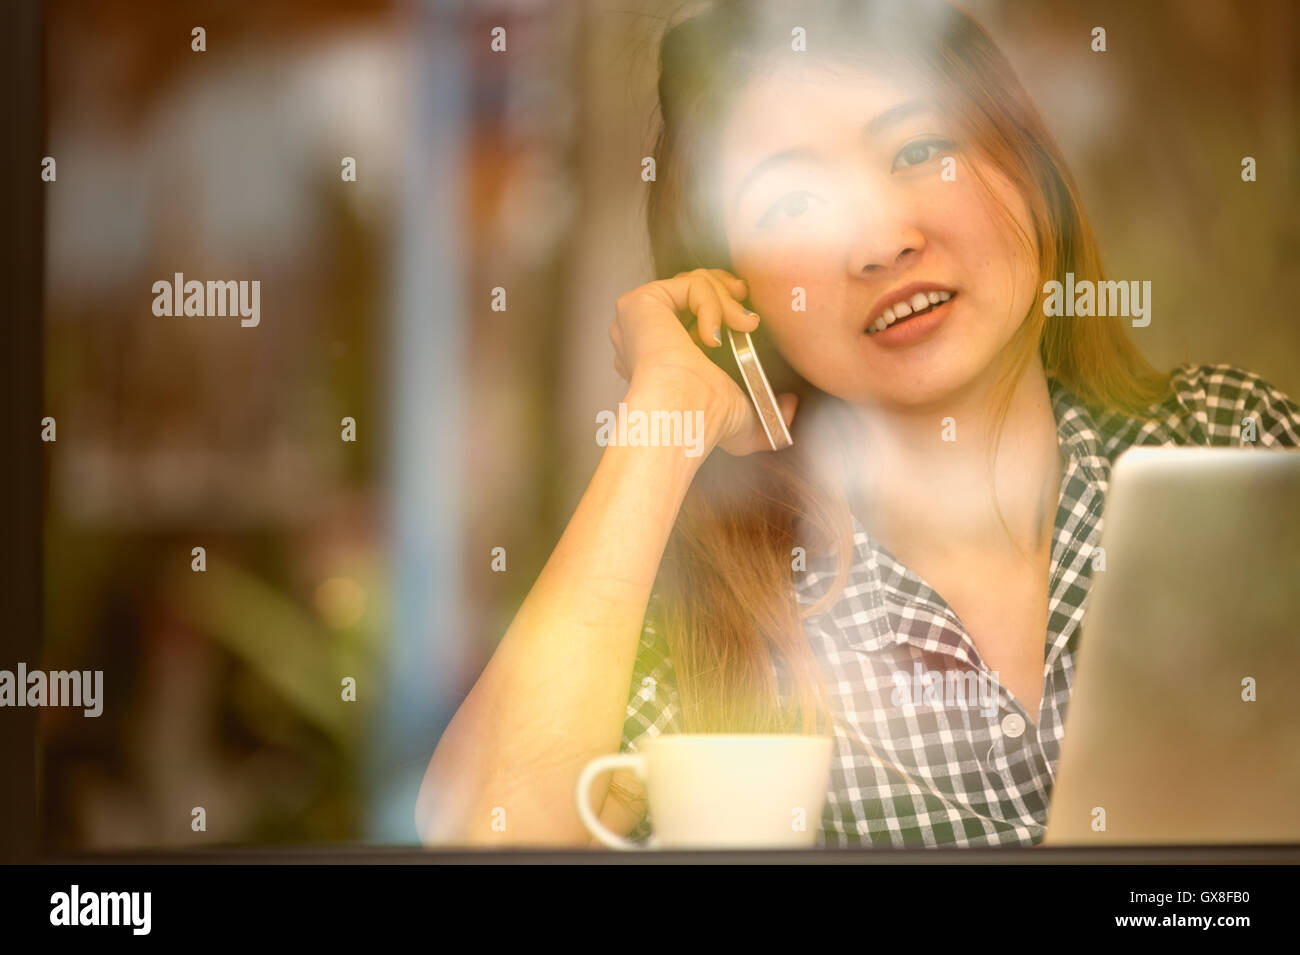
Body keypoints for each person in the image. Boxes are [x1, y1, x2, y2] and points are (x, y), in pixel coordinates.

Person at [417, 0, 1300, 848]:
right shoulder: (713, 615)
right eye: (791, 204)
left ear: (1028, 170)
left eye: (919, 148)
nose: (879, 241)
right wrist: (663, 414)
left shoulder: (1230, 436)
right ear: (736, 290)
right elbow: (488, 833)